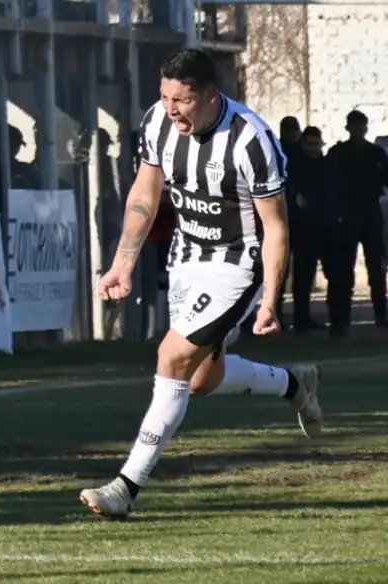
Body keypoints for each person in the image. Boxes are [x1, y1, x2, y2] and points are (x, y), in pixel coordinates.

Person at [80, 49, 322, 520]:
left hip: (237, 265)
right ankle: (294, 384)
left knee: (171, 356)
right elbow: (145, 194)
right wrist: (122, 264)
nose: (172, 109)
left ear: (211, 95)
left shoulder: (251, 140)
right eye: (166, 97)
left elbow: (275, 227)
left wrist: (272, 297)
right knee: (198, 381)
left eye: (183, 100)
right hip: (187, 258)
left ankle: (125, 487)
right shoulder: (158, 122)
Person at [324, 109, 388, 330]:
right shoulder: (339, 153)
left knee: (377, 269)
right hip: (347, 214)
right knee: (342, 269)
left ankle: (381, 316)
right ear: (349, 128)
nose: (360, 130)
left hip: (370, 212)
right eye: (356, 126)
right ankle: (340, 321)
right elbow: (328, 184)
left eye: (363, 126)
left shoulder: (376, 154)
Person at [287, 126, 337, 333]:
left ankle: (337, 320)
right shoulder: (294, 168)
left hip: (327, 229)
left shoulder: (329, 167)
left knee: (334, 275)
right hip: (303, 230)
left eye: (316, 144)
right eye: (309, 144)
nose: (313, 148)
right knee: (303, 278)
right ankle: (301, 320)